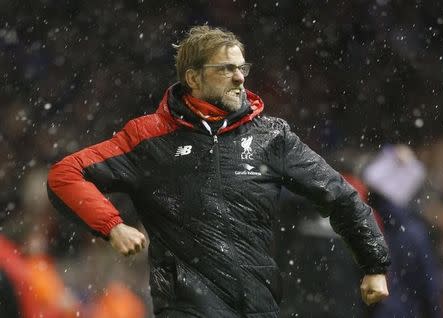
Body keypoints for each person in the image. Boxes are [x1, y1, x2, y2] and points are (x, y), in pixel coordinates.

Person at [47, 25, 390, 317]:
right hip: (186, 307)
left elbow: (341, 195)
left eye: (242, 67)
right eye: (225, 69)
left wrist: (374, 266)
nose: (240, 77)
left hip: (259, 305)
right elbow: (66, 174)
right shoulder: (148, 137)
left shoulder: (270, 136)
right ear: (193, 78)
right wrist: (113, 226)